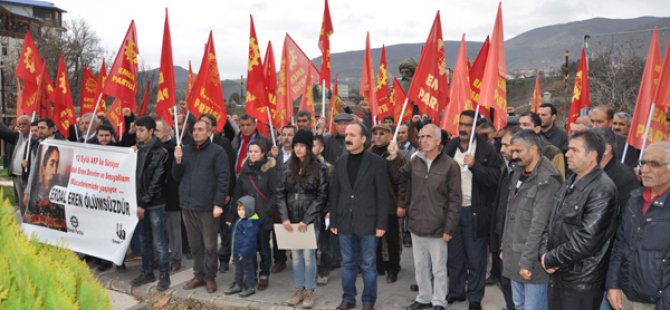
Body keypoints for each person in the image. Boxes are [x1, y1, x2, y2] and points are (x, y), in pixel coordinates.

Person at [540, 130, 619, 310]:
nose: (567, 154)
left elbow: (586, 240)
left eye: (574, 150)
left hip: (581, 281)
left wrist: (551, 259)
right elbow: (551, 222)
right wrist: (544, 252)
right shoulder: (571, 181)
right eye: (568, 149)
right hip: (560, 274)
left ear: (592, 155)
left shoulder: (602, 190)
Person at [387, 124, 462, 310]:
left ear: (438, 141)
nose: (423, 140)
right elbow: (397, 177)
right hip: (416, 224)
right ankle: (423, 298)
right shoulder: (414, 161)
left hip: (438, 227)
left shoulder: (450, 165)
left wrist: (449, 228)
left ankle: (438, 301)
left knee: (438, 268)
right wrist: (393, 156)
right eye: (421, 137)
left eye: (428, 136)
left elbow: (455, 200)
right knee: (420, 266)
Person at [444, 110, 502, 310]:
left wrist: (475, 166)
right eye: (461, 124)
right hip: (453, 210)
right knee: (454, 256)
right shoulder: (450, 147)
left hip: (475, 211)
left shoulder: (487, 150)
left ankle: (475, 297)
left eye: (468, 125)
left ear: (476, 128)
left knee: (476, 258)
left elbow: (494, 180)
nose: (463, 128)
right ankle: (456, 291)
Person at [329, 123, 389, 310]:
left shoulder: (377, 163)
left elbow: (382, 195)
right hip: (345, 222)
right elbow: (335, 193)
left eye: (353, 135)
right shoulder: (340, 163)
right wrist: (334, 220)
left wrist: (381, 223)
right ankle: (348, 298)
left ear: (363, 139)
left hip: (369, 223)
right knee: (348, 264)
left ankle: (368, 301)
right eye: (347, 134)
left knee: (369, 265)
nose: (348, 138)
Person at [501, 130, 563, 310]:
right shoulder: (518, 171)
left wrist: (527, 261)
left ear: (534, 149)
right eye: (512, 151)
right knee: (518, 305)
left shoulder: (547, 179)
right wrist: (503, 247)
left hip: (532, 262)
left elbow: (539, 224)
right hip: (514, 254)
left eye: (518, 151)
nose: (513, 155)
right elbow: (510, 213)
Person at [606, 141, 670, 309]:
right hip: (626, 296)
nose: (645, 170)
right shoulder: (634, 198)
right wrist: (613, 284)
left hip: (657, 302)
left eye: (654, 164)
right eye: (643, 163)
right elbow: (620, 244)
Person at [173, 120, 230, 293]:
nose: (196, 132)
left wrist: (218, 203)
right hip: (188, 205)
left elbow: (223, 178)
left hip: (207, 207)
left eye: (200, 130)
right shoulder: (185, 151)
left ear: (209, 132)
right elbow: (176, 177)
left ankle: (210, 276)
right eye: (195, 130)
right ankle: (199, 274)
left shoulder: (217, 152)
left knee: (210, 245)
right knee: (195, 245)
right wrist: (177, 161)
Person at [277, 129, 328, 309]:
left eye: (302, 146)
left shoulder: (319, 167)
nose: (298, 149)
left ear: (308, 147)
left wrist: (307, 220)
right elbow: (280, 193)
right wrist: (284, 218)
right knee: (296, 257)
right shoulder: (286, 166)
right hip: (291, 219)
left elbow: (322, 196)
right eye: (296, 145)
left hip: (309, 220)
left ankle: (310, 291)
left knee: (309, 256)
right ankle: (299, 289)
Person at [229, 140, 280, 290]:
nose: (252, 154)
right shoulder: (245, 170)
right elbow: (238, 192)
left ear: (263, 153)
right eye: (250, 151)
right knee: (249, 247)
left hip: (263, 215)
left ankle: (264, 274)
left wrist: (267, 210)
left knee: (264, 247)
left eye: (256, 151)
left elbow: (275, 193)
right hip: (247, 217)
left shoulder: (270, 170)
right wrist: (234, 214)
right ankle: (250, 274)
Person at [128, 116, 171, 292]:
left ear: (151, 131)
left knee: (159, 242)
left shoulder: (160, 152)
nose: (138, 134)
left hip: (154, 204)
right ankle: (147, 272)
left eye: (141, 130)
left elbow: (156, 181)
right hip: (140, 203)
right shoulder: (138, 150)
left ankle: (164, 275)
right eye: (136, 130)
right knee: (144, 239)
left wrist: (143, 203)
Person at [369, 124, 406, 284]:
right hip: (372, 203)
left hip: (390, 203)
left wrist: (401, 204)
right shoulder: (368, 153)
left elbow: (400, 180)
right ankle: (378, 265)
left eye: (382, 133)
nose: (378, 136)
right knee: (374, 238)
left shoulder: (397, 155)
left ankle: (393, 268)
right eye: (375, 133)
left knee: (392, 239)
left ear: (390, 136)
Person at [492, 127, 521, 310]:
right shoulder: (508, 168)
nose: (501, 149)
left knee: (515, 286)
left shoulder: (526, 173)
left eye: (506, 144)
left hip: (517, 242)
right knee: (505, 282)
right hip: (503, 236)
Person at [154, 119, 183, 272]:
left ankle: (176, 258)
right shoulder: (150, 147)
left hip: (171, 194)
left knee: (173, 229)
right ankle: (160, 257)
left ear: (167, 131)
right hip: (156, 196)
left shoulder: (175, 148)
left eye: (157, 131)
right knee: (158, 229)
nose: (154, 134)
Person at [224, 196, 261, 297]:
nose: (240, 212)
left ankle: (250, 286)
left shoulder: (250, 223)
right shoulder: (240, 220)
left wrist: (243, 252)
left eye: (243, 209)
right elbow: (237, 233)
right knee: (238, 269)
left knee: (248, 269)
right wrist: (231, 226)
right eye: (238, 209)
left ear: (249, 209)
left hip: (245, 253)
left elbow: (249, 240)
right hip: (237, 251)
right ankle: (238, 284)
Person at [24, 145, 66, 231]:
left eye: (56, 165)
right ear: (42, 169)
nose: (54, 171)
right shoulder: (34, 194)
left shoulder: (59, 193)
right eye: (51, 164)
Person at [518, 113, 566, 180]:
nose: (521, 128)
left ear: (537, 129)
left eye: (525, 125)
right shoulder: (513, 151)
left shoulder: (552, 152)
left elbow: (558, 182)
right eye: (519, 125)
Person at [0, 115, 31, 214]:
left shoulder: (34, 139)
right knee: (21, 205)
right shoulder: (17, 137)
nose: (21, 126)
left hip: (27, 178)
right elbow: (4, 132)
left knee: (29, 206)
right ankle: (24, 227)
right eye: (19, 124)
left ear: (31, 125)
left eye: (24, 124)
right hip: (16, 176)